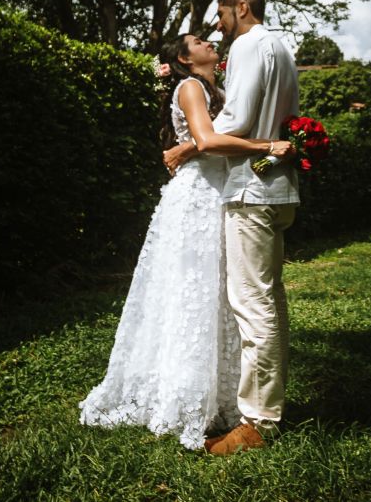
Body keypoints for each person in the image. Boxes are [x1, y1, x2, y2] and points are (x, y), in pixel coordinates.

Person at [78, 32, 293, 450]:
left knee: (220, 295)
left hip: (220, 191)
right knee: (193, 295)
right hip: (198, 198)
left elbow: (207, 139)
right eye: (197, 40)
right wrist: (269, 146)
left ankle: (222, 397)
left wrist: (188, 147)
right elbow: (210, 140)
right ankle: (186, 397)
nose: (209, 41)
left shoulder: (219, 87)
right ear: (183, 58)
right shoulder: (191, 86)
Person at [163, 0, 299, 456]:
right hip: (280, 189)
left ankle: (258, 422)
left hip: (250, 189)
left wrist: (191, 143)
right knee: (272, 301)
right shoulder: (282, 47)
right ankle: (269, 406)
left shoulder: (246, 46)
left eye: (221, 14)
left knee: (253, 305)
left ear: (241, 8)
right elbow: (289, 118)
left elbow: (236, 118)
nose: (217, 27)